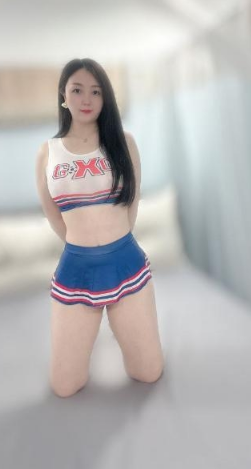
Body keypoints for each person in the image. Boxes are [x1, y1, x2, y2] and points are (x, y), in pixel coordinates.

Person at [35, 58, 164, 398]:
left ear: (105, 98)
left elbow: (131, 203)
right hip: (76, 269)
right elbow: (53, 215)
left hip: (126, 263)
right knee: (65, 386)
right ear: (63, 95)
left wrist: (113, 242)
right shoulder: (48, 153)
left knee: (148, 372)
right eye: (77, 90)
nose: (86, 99)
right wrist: (84, 246)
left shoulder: (124, 143)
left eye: (96, 91)